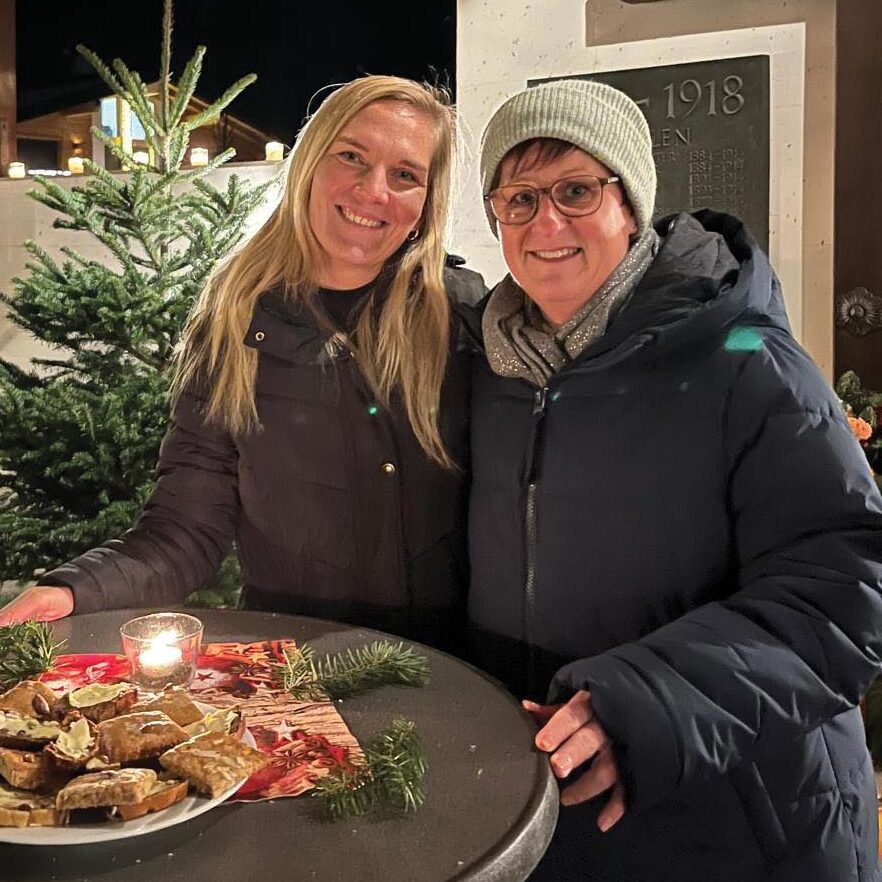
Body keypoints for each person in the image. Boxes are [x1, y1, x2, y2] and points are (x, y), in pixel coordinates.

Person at [466, 78, 882, 881]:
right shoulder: (491, 371)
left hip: (741, 819)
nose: (546, 223)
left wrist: (647, 702)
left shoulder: (747, 363)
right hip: (557, 813)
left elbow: (847, 593)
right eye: (518, 200)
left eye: (576, 191)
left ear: (630, 205)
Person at [0, 75, 482, 652]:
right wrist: (71, 591)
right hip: (291, 666)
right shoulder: (235, 323)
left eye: (405, 175)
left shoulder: (465, 317)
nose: (373, 190)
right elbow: (184, 530)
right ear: (308, 166)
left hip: (451, 671)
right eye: (351, 156)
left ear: (426, 203)